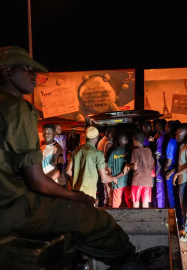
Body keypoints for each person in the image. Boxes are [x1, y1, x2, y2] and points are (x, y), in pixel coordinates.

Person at [0, 46, 143, 269]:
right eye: (26, 68)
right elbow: (37, 182)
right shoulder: (17, 108)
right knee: (101, 223)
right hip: (12, 208)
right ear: (7, 71)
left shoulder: (76, 150)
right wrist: (75, 197)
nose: (34, 75)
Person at [67, 126, 117, 199]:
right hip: (88, 194)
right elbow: (104, 178)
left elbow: (68, 171)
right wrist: (113, 179)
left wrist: (77, 180)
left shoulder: (76, 150)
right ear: (97, 138)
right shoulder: (97, 154)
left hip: (76, 192)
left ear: (85, 138)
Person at [124, 132, 154, 208]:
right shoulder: (148, 151)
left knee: (136, 203)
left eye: (133, 140)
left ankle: (136, 219)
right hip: (147, 181)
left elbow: (135, 167)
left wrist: (127, 165)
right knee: (146, 204)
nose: (133, 142)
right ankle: (145, 219)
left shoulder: (135, 151)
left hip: (137, 181)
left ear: (137, 141)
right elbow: (152, 167)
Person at [172, 124, 187, 235]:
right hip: (182, 179)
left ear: (185, 134)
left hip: (185, 180)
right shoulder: (182, 145)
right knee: (182, 205)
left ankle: (186, 229)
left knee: (184, 205)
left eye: (178, 134)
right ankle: (184, 227)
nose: (176, 136)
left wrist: (177, 173)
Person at [107, 132, 132, 208]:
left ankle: (115, 218)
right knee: (129, 201)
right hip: (127, 181)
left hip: (117, 182)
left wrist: (112, 177)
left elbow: (108, 167)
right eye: (126, 139)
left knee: (116, 202)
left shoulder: (113, 152)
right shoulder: (129, 152)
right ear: (124, 140)